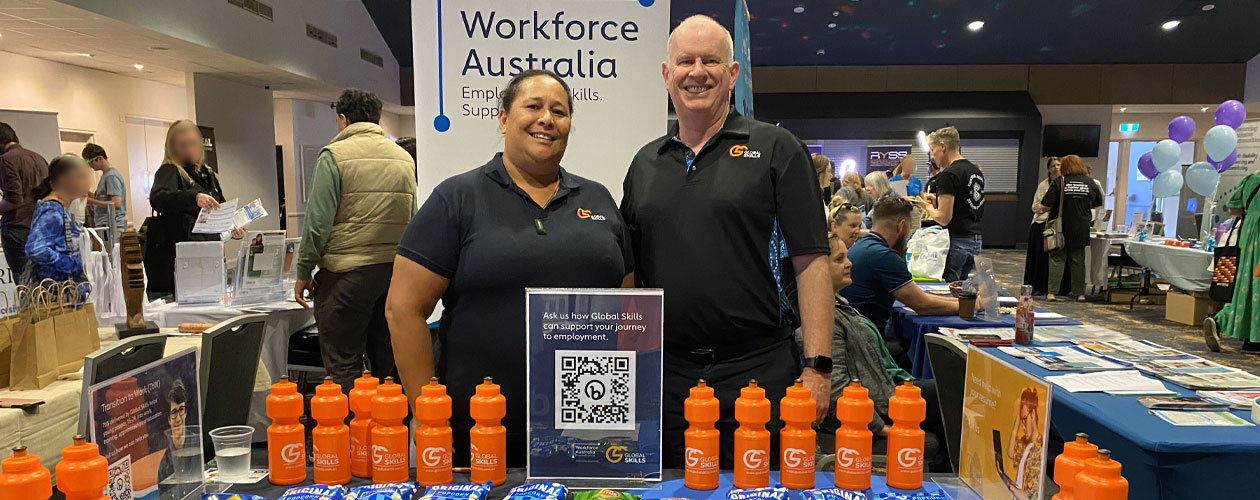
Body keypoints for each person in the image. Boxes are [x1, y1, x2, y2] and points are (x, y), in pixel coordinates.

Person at [387, 70, 632, 467]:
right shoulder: (458, 198)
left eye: (559, 111)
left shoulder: (598, 199)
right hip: (481, 426)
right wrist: (425, 411)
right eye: (533, 106)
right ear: (503, 118)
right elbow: (403, 309)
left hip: (589, 427)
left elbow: (628, 305)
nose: (547, 119)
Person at [620, 15, 831, 468]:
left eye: (711, 60)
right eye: (685, 61)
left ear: (733, 73)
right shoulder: (645, 163)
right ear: (666, 74)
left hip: (757, 373)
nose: (697, 72)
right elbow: (631, 273)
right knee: (672, 492)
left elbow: (812, 262)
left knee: (760, 491)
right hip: (666, 376)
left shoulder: (778, 149)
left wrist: (817, 368)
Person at [294, 89, 416, 391]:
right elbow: (413, 218)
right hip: (392, 276)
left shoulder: (334, 156)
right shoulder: (403, 158)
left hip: (345, 277)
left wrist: (303, 272)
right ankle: (388, 434)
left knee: (344, 365)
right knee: (387, 365)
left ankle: (352, 436)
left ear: (343, 119)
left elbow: (317, 225)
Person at [818, 232, 945, 467]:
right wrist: (881, 428)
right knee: (948, 395)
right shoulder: (822, 320)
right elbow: (835, 390)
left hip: (881, 389)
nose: (849, 264)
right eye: (839, 259)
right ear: (817, 269)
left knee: (949, 391)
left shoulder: (837, 304)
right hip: (876, 404)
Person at [842, 197, 958, 366]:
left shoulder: (860, 246)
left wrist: (960, 301)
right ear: (901, 225)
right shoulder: (884, 256)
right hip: (866, 347)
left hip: (854, 338)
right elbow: (923, 305)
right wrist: (970, 306)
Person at [143, 120, 245, 299]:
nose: (189, 149)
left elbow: (220, 205)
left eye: (193, 144)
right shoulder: (169, 171)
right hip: (183, 259)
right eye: (183, 145)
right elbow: (158, 199)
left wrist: (232, 225)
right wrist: (193, 198)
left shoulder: (207, 174)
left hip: (210, 253)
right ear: (172, 147)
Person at [922, 126, 985, 282]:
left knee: (949, 293)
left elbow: (943, 218)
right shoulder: (975, 171)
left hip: (956, 241)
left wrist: (926, 206)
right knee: (963, 292)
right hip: (975, 241)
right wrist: (937, 201)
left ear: (942, 146)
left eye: (932, 149)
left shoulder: (948, 175)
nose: (933, 156)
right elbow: (963, 204)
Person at [1211, 169, 1260, 351]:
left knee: (1246, 286)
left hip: (1248, 236)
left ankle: (1244, 333)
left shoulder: (1251, 179)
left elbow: (1233, 208)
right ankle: (1254, 335)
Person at [24, 154, 93, 284]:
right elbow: (36, 250)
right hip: (58, 293)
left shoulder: (58, 209)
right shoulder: (52, 210)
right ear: (64, 180)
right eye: (82, 177)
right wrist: (75, 266)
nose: (88, 182)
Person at [1042, 155, 1102, 302]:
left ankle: (1052, 293)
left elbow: (1046, 205)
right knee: (1078, 260)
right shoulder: (1090, 182)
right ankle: (1080, 293)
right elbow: (1098, 203)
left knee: (1057, 259)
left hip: (1061, 228)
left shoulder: (1060, 182)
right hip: (1081, 227)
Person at [0, 122, 50, 280]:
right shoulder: (39, 158)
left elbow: (14, 199)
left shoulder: (6, 159)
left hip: (18, 228)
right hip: (42, 227)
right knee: (45, 284)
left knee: (26, 284)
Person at [1023, 157, 1061, 296]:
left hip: (1058, 226)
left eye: (1059, 165)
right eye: (1053, 165)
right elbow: (1035, 206)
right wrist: (1047, 208)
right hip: (1041, 224)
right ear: (1049, 169)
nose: (1056, 168)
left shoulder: (1065, 184)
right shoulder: (1043, 185)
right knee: (1039, 257)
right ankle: (1036, 285)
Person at [1001, 387, 1044, 500]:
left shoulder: (1038, 450)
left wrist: (1009, 485)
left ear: (1033, 414)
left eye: (1025, 419)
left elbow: (1029, 497)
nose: (1023, 426)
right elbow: (1011, 453)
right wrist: (1017, 423)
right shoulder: (1026, 444)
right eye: (1022, 421)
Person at [82, 144, 127, 231]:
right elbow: (104, 198)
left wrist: (91, 201)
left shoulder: (111, 176)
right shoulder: (105, 176)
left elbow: (116, 204)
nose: (90, 166)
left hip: (112, 226)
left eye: (90, 162)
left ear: (99, 158)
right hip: (104, 225)